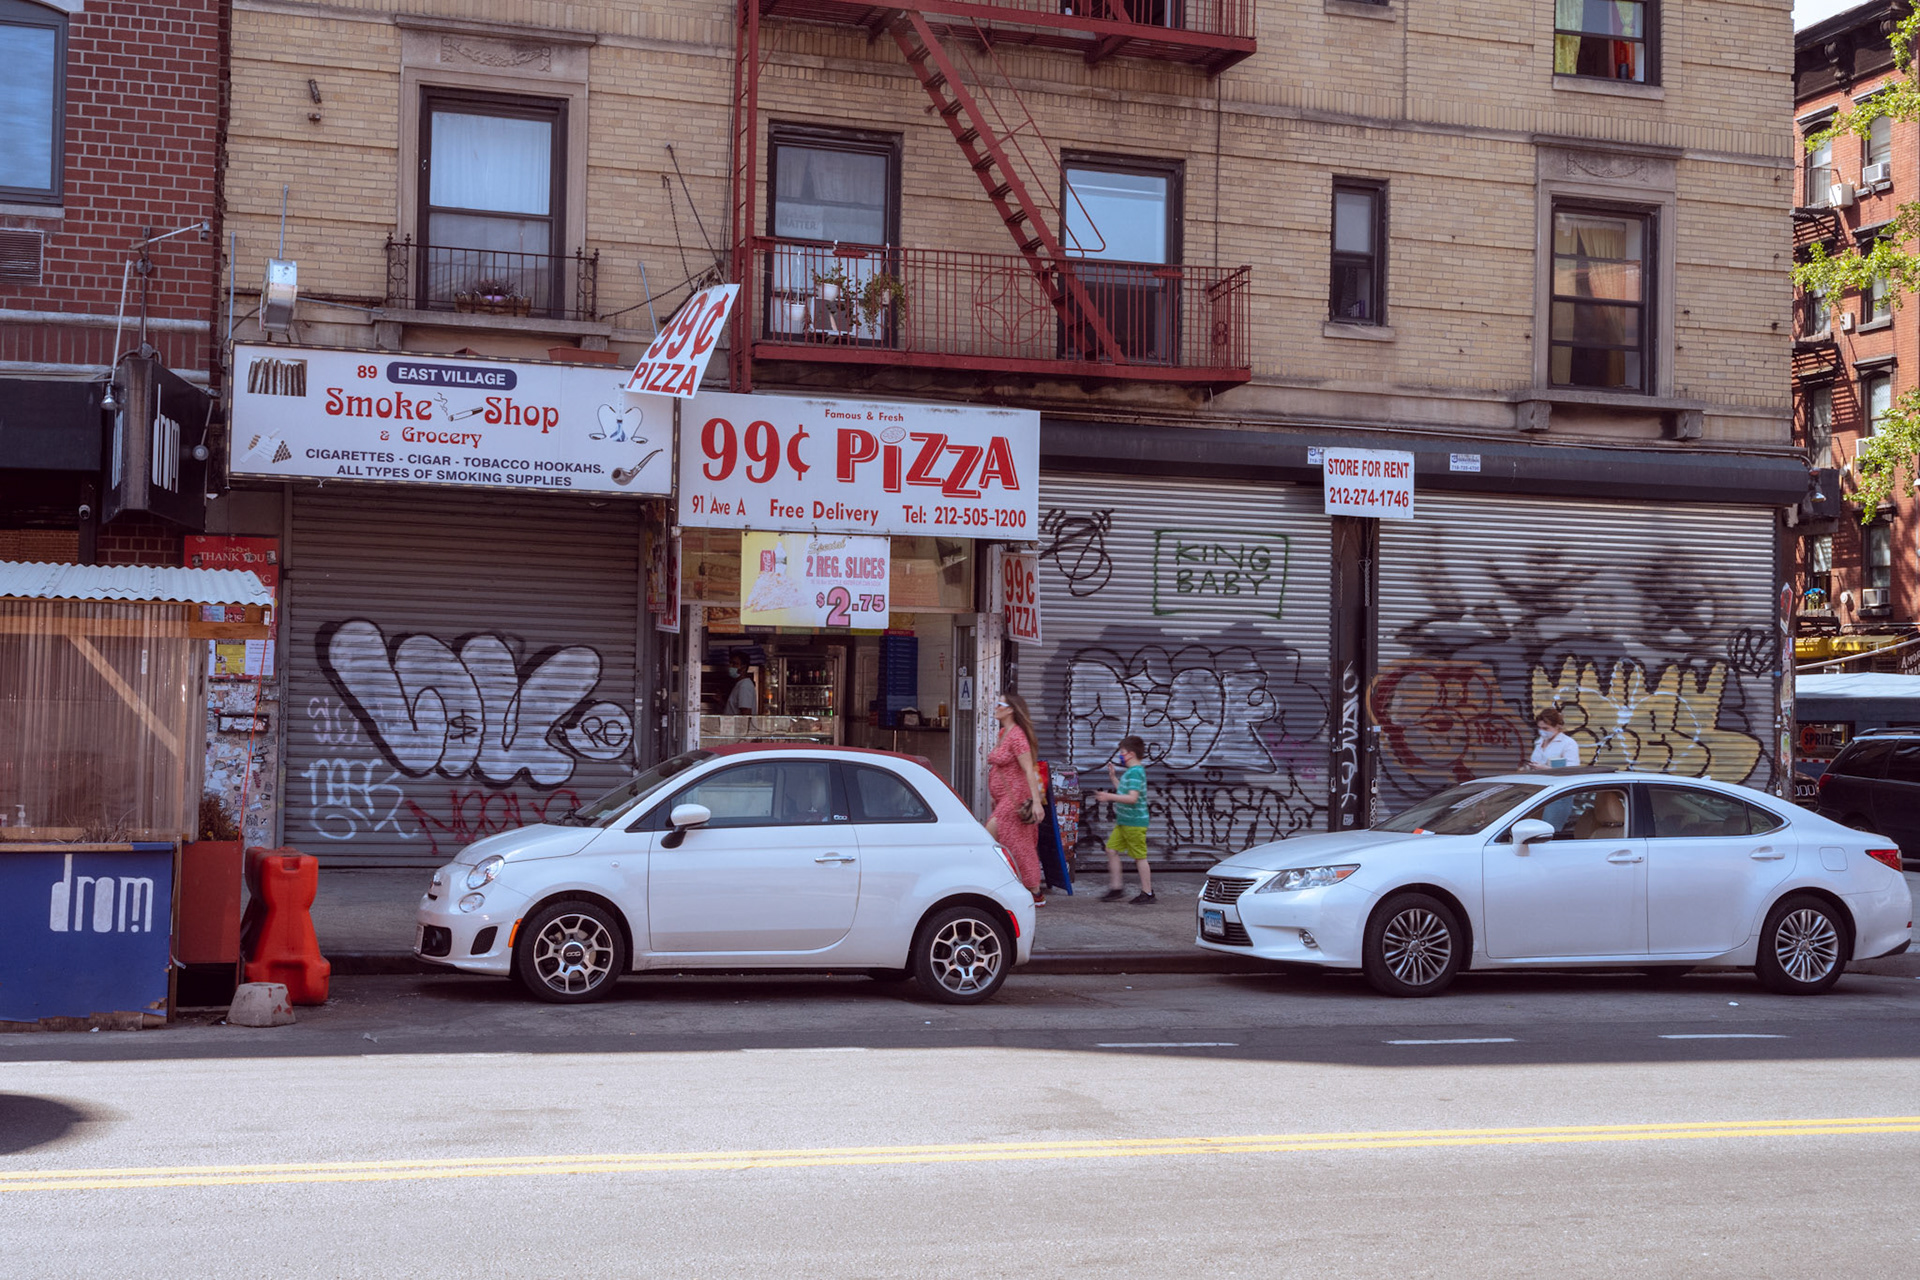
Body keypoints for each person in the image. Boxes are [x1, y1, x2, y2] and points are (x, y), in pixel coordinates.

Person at [986, 693, 1046, 905]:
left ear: (1010, 709)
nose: (996, 707)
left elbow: (1029, 769)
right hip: (1004, 798)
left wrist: (1037, 802)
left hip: (1015, 797)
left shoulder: (1017, 736)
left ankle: (1033, 889)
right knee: (1014, 842)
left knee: (994, 838)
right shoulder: (1004, 733)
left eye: (1000, 704)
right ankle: (1018, 886)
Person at [1094, 735, 1153, 904]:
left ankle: (1147, 892)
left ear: (1131, 754)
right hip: (1124, 822)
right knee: (1111, 850)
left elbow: (1132, 798)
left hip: (1134, 823)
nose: (1120, 755)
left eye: (1122, 752)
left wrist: (1108, 796)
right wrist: (1113, 778)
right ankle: (1116, 888)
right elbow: (1124, 791)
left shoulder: (1136, 772)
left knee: (1140, 857)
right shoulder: (1131, 772)